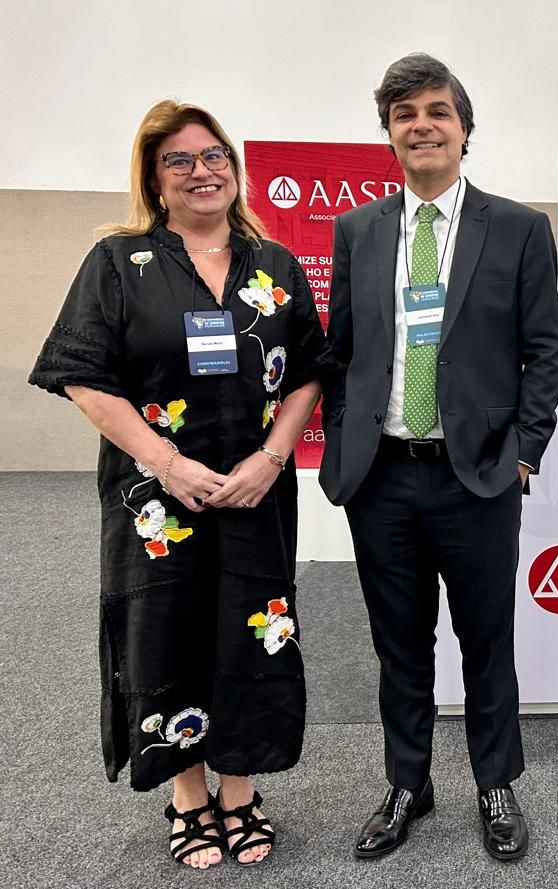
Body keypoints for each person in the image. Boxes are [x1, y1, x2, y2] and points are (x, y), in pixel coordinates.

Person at [29, 100, 331, 868]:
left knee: (250, 627)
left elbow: (309, 371)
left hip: (255, 490)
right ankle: (189, 793)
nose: (202, 171)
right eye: (180, 160)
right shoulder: (118, 263)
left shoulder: (275, 264)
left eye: (214, 155)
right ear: (155, 177)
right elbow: (83, 376)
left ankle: (240, 787)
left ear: (234, 167)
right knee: (165, 631)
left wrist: (272, 458)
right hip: (156, 500)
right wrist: (166, 462)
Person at [320, 52, 558, 862]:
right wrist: (346, 439)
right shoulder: (358, 231)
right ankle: (408, 783)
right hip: (383, 474)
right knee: (399, 642)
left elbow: (544, 352)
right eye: (404, 114)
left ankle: (496, 782)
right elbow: (340, 352)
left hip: (480, 473)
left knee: (487, 638)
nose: (420, 125)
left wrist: (523, 452)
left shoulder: (519, 229)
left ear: (464, 130)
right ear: (389, 135)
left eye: (436, 111)